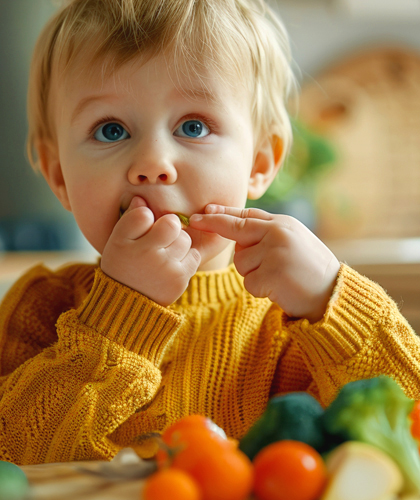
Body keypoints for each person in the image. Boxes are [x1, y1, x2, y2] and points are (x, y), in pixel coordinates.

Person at [0, 0, 419, 466]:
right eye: (111, 130)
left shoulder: (291, 322)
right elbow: (15, 454)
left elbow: (407, 435)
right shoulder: (41, 307)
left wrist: (333, 302)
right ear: (59, 175)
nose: (153, 164)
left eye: (193, 126)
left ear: (260, 162)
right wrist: (119, 317)